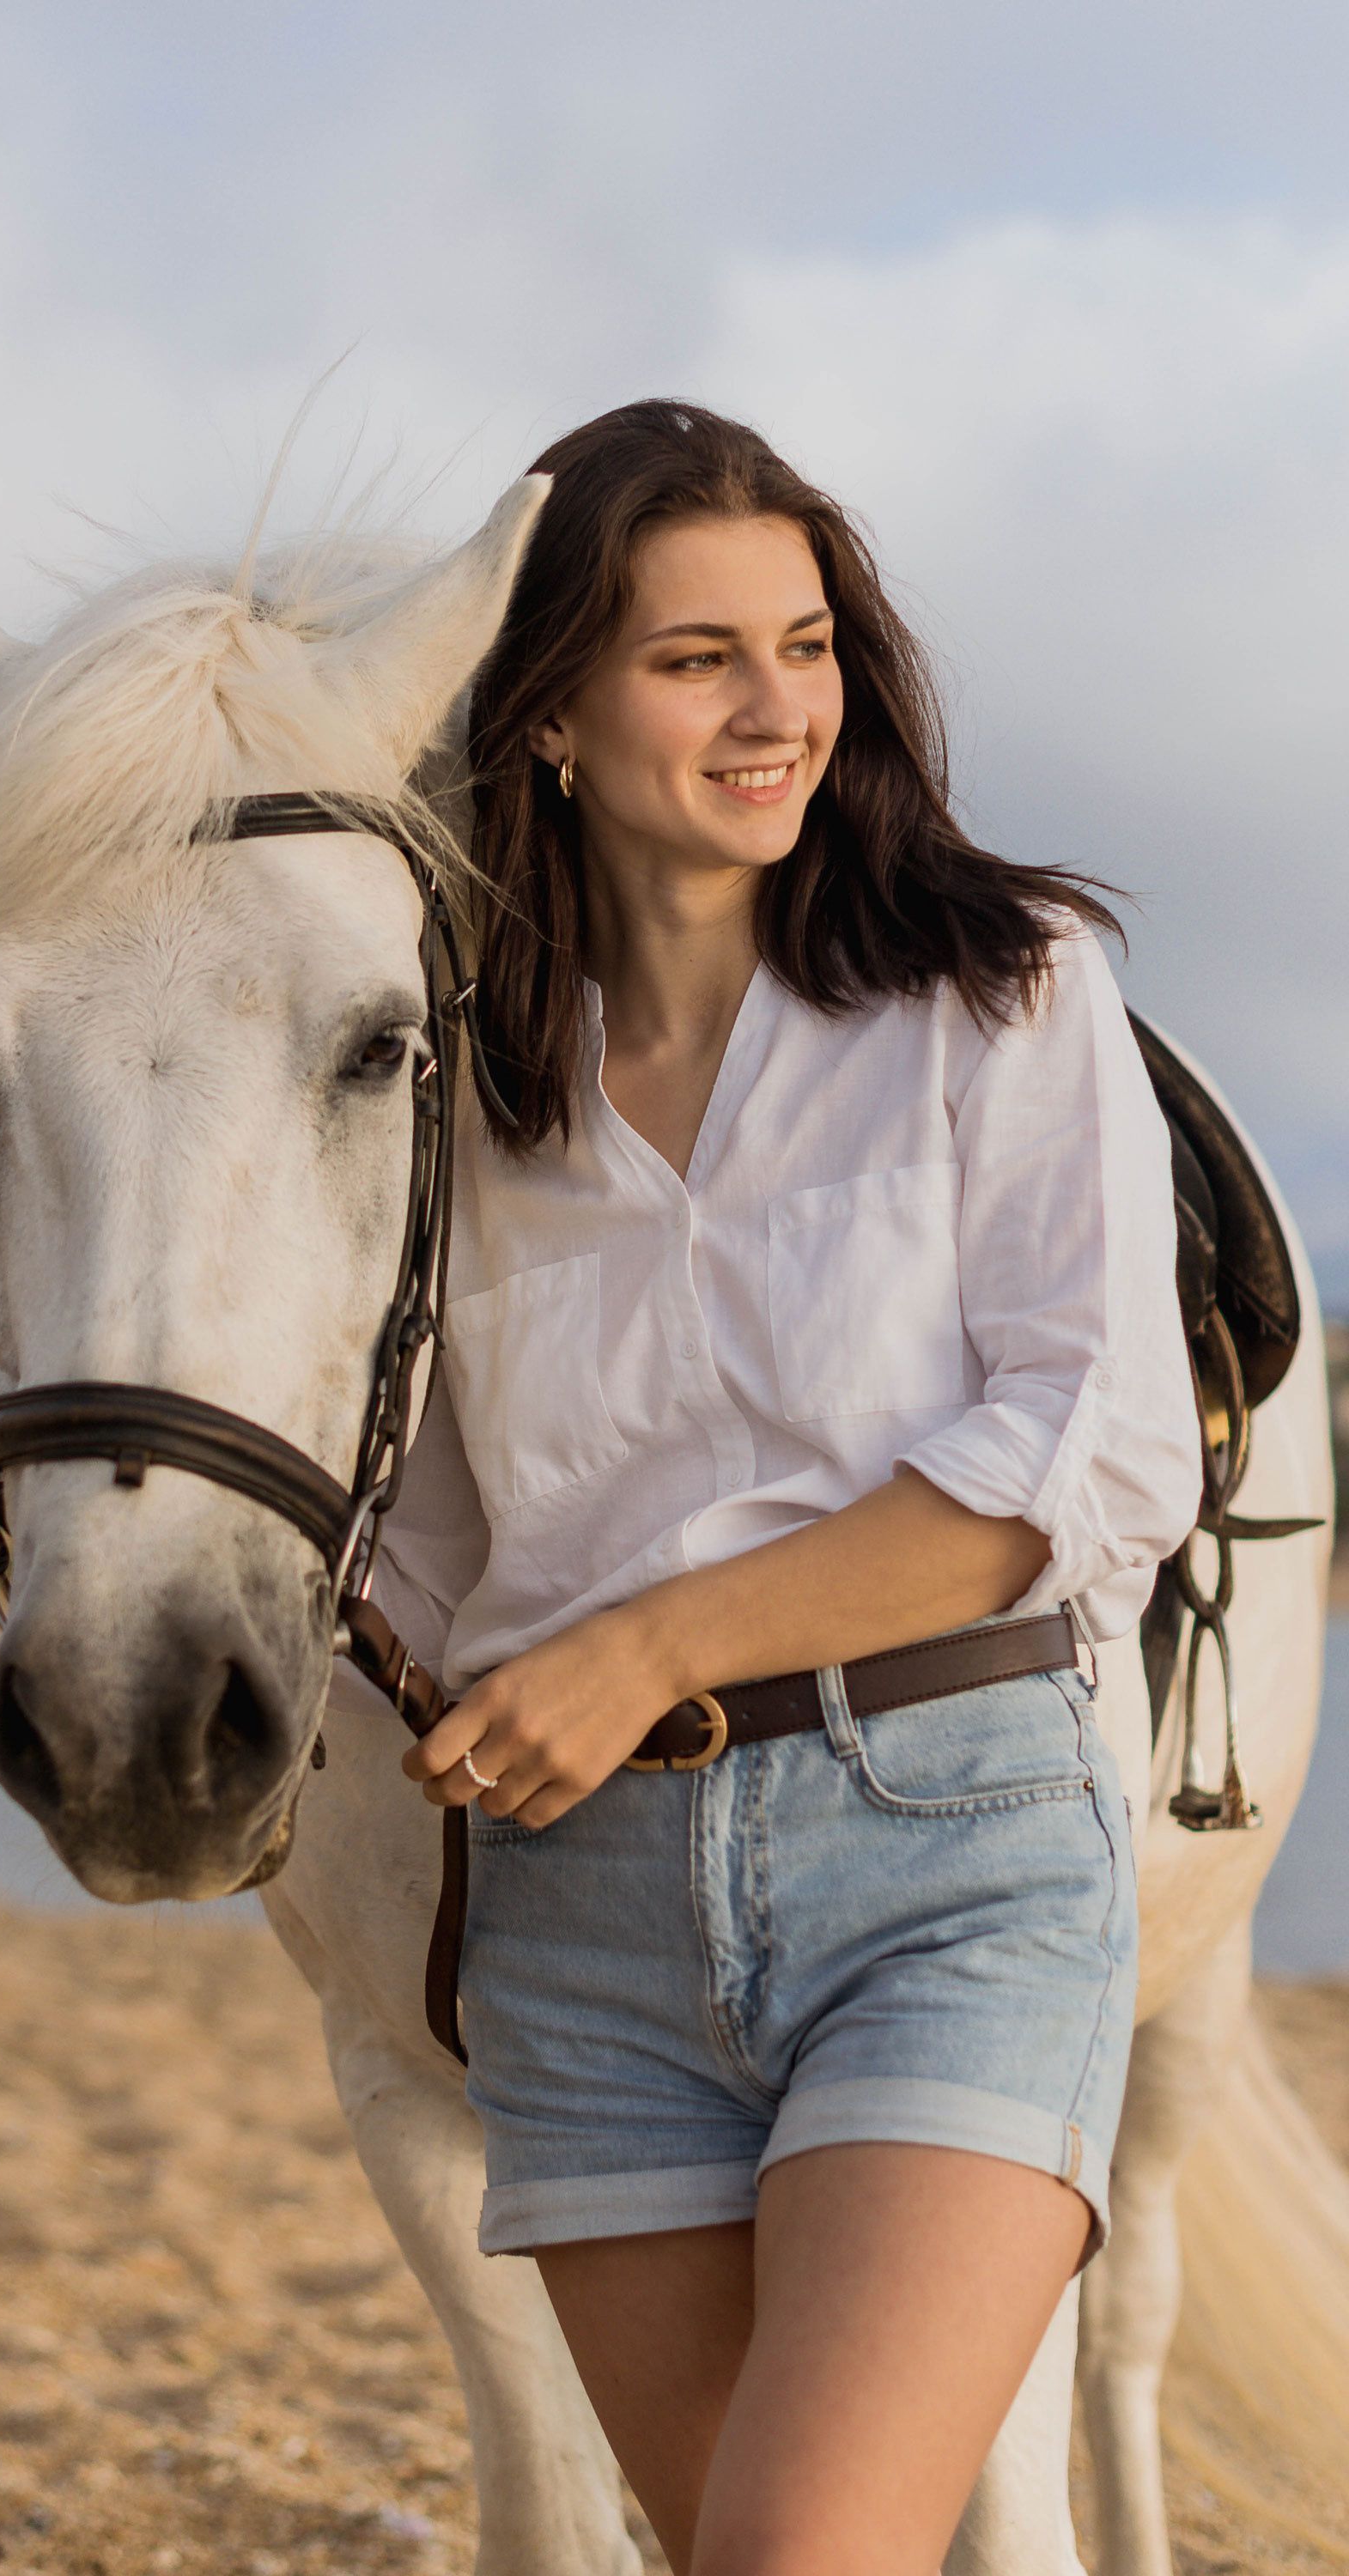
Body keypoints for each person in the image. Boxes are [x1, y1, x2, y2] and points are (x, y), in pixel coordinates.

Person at [387, 398, 1201, 2575]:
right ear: (545, 705)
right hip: (585, 1923)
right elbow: (420, 1533)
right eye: (695, 659)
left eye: (808, 641)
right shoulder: (443, 1090)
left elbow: (1068, 1461)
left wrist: (645, 1641)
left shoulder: (1002, 993)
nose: (778, 711)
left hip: (945, 1845)